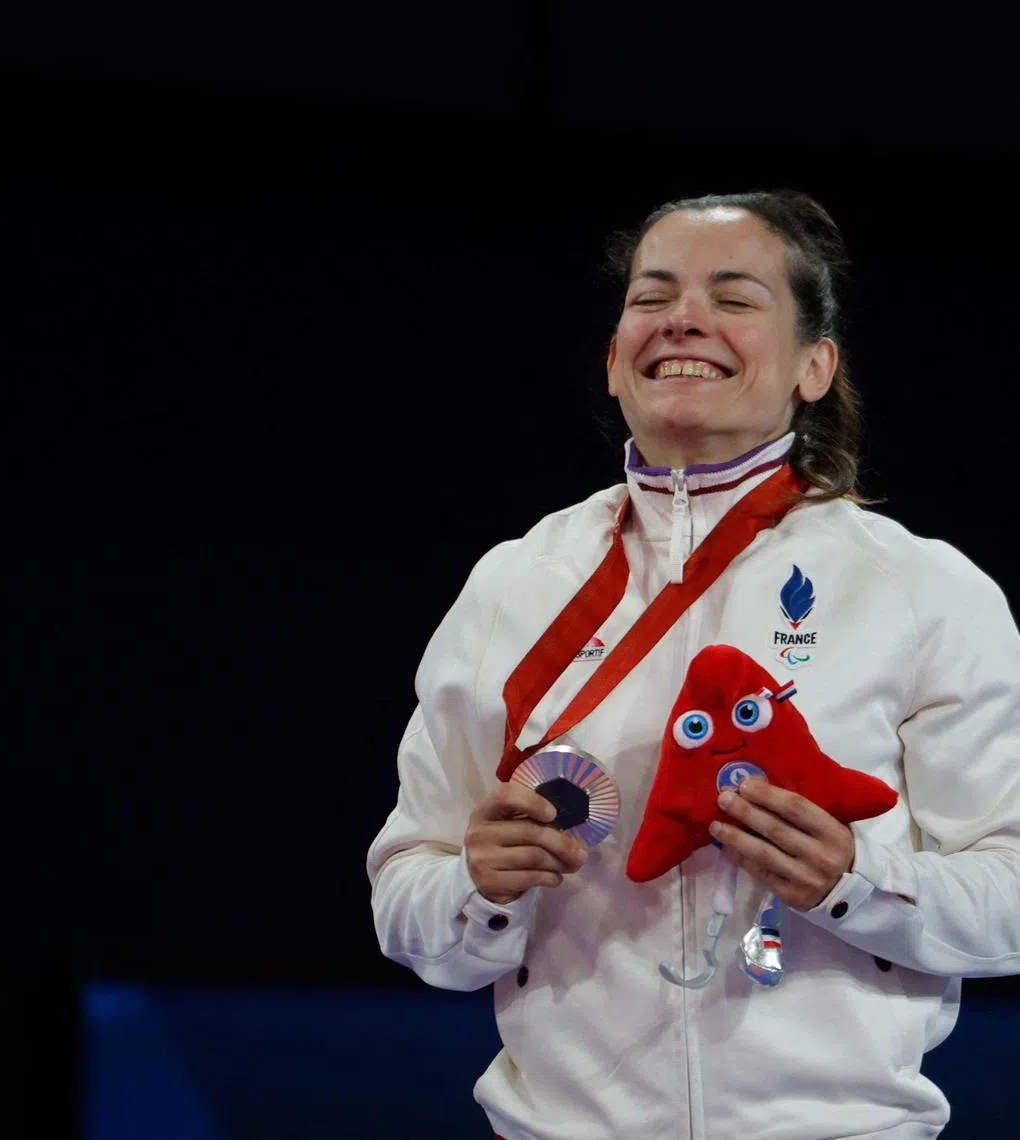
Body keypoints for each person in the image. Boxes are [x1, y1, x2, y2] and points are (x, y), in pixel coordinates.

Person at [366, 190, 1020, 1139]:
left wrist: (857, 876)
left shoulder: (922, 589)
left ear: (814, 366)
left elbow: (1007, 899)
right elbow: (405, 897)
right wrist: (479, 886)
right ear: (612, 358)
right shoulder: (514, 582)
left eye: (735, 296)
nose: (683, 318)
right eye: (652, 295)